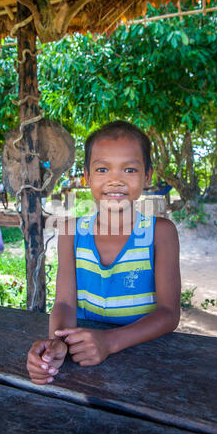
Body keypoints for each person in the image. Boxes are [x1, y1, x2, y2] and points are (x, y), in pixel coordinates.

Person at [26, 120, 181, 385]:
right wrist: (56, 345)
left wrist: (109, 342)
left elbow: (169, 313)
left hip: (146, 360)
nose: (115, 180)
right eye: (102, 169)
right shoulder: (71, 232)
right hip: (83, 358)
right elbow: (64, 303)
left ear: (147, 176)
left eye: (129, 169)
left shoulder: (160, 232)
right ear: (87, 176)